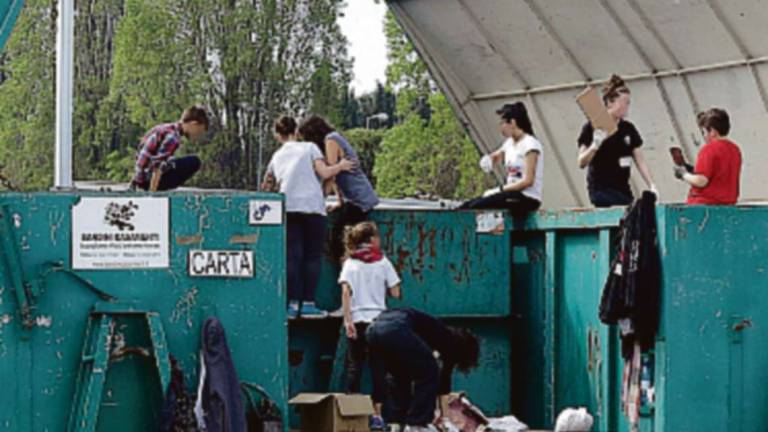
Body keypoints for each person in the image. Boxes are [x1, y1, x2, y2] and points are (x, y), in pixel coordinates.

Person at [261, 116, 355, 318]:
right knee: (312, 256)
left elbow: (266, 185)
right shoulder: (310, 147)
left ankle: (292, 304)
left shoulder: (277, 156)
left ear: (278, 135)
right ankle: (309, 304)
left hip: (289, 207)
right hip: (313, 206)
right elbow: (324, 172)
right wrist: (341, 165)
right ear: (296, 131)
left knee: (292, 256)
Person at [366, 308, 480, 431]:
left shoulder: (429, 329)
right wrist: (445, 417)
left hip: (372, 329)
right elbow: (444, 382)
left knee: (400, 375)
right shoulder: (450, 340)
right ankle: (417, 423)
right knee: (430, 371)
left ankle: (397, 422)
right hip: (397, 328)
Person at [339, 222, 401, 430]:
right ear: (372, 240)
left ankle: (353, 411)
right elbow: (395, 292)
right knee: (379, 368)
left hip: (356, 319)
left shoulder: (350, 263)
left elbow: (346, 292)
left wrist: (348, 320)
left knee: (354, 366)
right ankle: (377, 415)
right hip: (379, 321)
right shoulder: (382, 262)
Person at [298, 116, 379, 263]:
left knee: (340, 239)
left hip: (359, 197)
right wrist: (340, 201)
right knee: (346, 238)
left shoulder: (331, 140)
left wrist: (320, 199)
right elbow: (336, 173)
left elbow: (331, 175)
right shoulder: (333, 138)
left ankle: (347, 274)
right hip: (356, 197)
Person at [577, 75, 657, 207]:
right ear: (610, 102)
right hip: (601, 190)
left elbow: (640, 160)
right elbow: (581, 162)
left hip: (623, 190)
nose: (627, 106)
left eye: (628, 103)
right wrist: (595, 145)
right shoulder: (592, 127)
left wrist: (651, 185)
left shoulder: (628, 129)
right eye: (623, 102)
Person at [459, 102, 543, 216]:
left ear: (512, 122)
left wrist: (501, 189)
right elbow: (497, 155)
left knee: (477, 207)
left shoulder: (530, 144)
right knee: (466, 206)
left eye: (502, 123)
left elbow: (528, 181)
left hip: (526, 198)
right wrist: (489, 159)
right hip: (511, 194)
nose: (500, 128)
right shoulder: (509, 143)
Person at [131, 105, 209, 191]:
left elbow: (141, 157)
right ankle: (155, 189)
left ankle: (149, 186)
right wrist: (152, 194)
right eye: (198, 131)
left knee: (171, 161)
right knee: (194, 162)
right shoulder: (173, 137)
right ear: (193, 124)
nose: (197, 136)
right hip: (147, 180)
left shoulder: (166, 128)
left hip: (140, 178)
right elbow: (157, 166)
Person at [674, 108, 742, 205]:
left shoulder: (709, 149)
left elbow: (701, 181)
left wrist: (683, 174)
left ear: (713, 131)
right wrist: (692, 170)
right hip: (728, 204)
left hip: (704, 205)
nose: (704, 136)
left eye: (704, 132)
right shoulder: (735, 150)